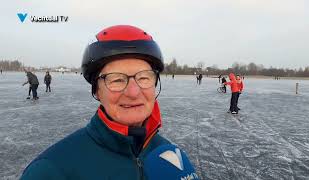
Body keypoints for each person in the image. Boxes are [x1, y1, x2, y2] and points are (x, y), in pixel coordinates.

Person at [21, 25, 198, 180]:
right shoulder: (50, 171)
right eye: (116, 80)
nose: (133, 92)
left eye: (144, 77)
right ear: (97, 91)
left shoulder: (171, 156)